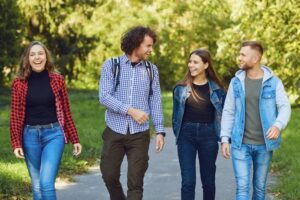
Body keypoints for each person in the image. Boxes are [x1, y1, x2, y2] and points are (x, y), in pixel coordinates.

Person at [99, 26, 165, 200]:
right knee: (109, 175)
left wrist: (159, 130)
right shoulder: (112, 65)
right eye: (148, 45)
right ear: (136, 44)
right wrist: (130, 111)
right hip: (114, 130)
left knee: (136, 183)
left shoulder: (152, 71)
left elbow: (156, 101)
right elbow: (104, 96)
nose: (151, 50)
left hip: (140, 135)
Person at [10, 41, 82, 200]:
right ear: (27, 59)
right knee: (36, 185)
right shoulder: (19, 83)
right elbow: (15, 115)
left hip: (53, 134)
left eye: (40, 53)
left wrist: (74, 138)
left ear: (46, 57)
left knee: (46, 183)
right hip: (29, 136)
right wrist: (16, 143)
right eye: (32, 54)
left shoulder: (57, 80)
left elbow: (66, 111)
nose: (37, 57)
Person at [220, 41, 291, 200]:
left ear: (255, 58)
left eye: (243, 55)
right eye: (240, 54)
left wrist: (278, 125)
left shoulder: (273, 83)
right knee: (242, 188)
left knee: (259, 189)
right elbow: (229, 111)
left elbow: (284, 107)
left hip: (264, 144)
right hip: (240, 144)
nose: (239, 58)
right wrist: (225, 138)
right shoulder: (236, 82)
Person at [172, 49, 226, 200]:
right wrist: (180, 134)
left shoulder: (218, 90)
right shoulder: (180, 89)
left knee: (208, 182)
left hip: (208, 136)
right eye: (190, 61)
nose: (191, 65)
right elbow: (176, 117)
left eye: (195, 62)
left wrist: (224, 139)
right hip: (186, 136)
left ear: (206, 65)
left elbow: (225, 116)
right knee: (188, 182)